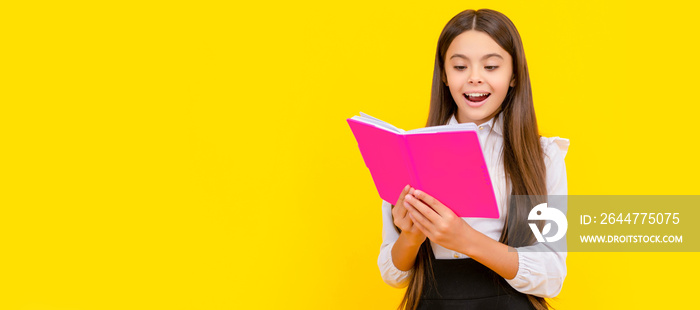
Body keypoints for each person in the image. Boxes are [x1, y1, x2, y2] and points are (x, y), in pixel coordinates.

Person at [377, 9, 570, 310]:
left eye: (491, 66)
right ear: (444, 73)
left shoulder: (543, 157)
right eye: (459, 66)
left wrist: (464, 239)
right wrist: (411, 237)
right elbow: (393, 273)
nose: (475, 78)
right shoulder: (411, 153)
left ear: (514, 74)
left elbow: (552, 275)